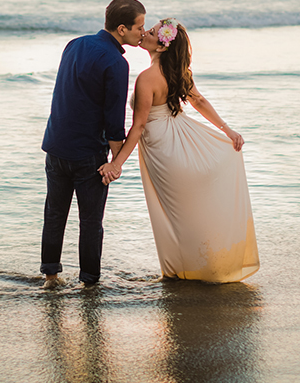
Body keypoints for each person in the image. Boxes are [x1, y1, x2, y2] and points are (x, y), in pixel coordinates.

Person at [99, 19, 259, 283]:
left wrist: (116, 163)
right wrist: (226, 130)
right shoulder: (178, 72)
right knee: (183, 214)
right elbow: (198, 100)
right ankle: (200, 267)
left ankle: (186, 271)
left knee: (175, 215)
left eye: (150, 32)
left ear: (161, 46)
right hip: (179, 138)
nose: (144, 34)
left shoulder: (147, 78)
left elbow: (138, 127)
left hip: (163, 148)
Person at [40, 0, 146, 288]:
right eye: (139, 27)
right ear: (122, 29)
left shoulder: (74, 44)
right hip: (88, 154)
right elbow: (114, 122)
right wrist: (115, 163)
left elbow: (67, 93)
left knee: (54, 213)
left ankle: (50, 276)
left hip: (56, 145)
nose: (143, 32)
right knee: (90, 222)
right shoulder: (116, 62)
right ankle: (90, 282)